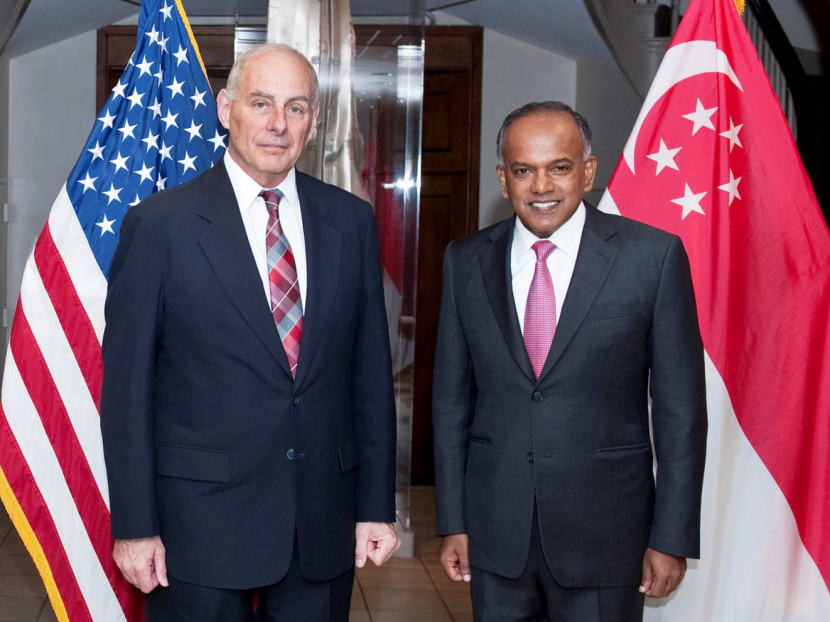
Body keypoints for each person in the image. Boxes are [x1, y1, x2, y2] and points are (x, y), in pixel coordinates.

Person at [100, 43, 399, 621]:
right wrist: (135, 526)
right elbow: (127, 392)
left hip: (321, 523)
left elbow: (369, 377)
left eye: (295, 107)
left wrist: (375, 506)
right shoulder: (159, 227)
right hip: (198, 527)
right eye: (261, 103)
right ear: (225, 108)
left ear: (313, 121)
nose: (277, 123)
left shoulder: (350, 221)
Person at [432, 101, 707, 621]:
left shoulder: (652, 258)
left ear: (587, 171)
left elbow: (681, 412)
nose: (542, 186)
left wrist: (671, 536)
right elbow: (450, 403)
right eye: (523, 171)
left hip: (608, 538)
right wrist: (453, 521)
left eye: (559, 167)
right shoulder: (464, 261)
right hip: (495, 536)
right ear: (503, 179)